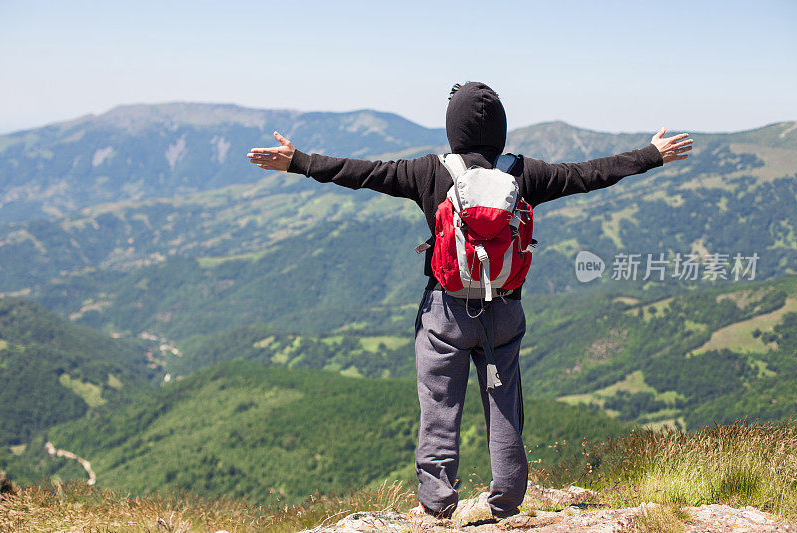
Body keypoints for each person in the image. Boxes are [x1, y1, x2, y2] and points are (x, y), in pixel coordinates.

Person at [247, 82, 692, 519]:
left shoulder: (428, 172)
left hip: (446, 313)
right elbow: (590, 174)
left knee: (440, 407)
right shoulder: (523, 173)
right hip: (504, 312)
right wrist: (650, 155)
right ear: (500, 128)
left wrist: (299, 162)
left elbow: (362, 173)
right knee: (504, 403)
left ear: (452, 128)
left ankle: (437, 501)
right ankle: (508, 502)